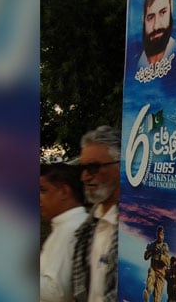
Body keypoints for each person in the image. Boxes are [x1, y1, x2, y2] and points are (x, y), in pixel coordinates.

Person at [72, 126, 121, 302]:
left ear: (120, 166)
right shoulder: (86, 229)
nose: (84, 177)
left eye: (93, 167)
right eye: (83, 168)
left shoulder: (131, 229)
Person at [40, 163, 88, 302]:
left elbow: (58, 292)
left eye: (43, 190)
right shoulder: (64, 225)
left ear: (64, 192)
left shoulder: (72, 228)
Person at [138, 0, 176, 68]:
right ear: (143, 19)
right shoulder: (134, 64)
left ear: (171, 8)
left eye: (163, 12)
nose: (156, 26)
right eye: (151, 17)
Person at [143, 225, 171, 302]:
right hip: (153, 269)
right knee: (150, 281)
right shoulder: (152, 244)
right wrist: (150, 251)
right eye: (159, 234)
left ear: (163, 235)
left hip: (161, 273)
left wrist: (160, 256)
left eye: (161, 234)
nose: (160, 236)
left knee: (157, 295)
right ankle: (147, 293)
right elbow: (145, 257)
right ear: (157, 234)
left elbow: (168, 262)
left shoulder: (165, 247)